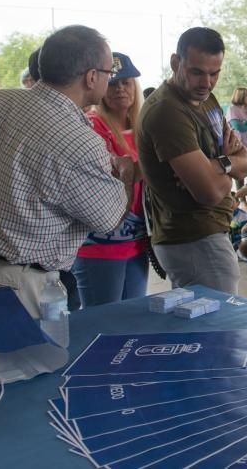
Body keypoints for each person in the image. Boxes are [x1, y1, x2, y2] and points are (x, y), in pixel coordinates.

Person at [0, 25, 130, 317]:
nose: (111, 79)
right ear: (92, 77)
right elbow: (108, 219)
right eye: (109, 72)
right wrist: (123, 174)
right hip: (17, 289)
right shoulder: (79, 141)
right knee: (26, 365)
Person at [137, 27, 247, 295]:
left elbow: (245, 160)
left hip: (207, 234)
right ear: (176, 63)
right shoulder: (168, 111)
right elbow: (209, 192)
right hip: (193, 238)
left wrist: (218, 165)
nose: (207, 82)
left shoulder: (205, 100)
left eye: (215, 73)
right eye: (197, 72)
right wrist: (229, 165)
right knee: (219, 328)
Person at [72, 52, 150, 307]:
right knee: (101, 324)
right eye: (113, 83)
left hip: (137, 241)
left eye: (126, 83)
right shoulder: (91, 126)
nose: (120, 89)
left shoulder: (142, 126)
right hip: (99, 244)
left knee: (134, 321)